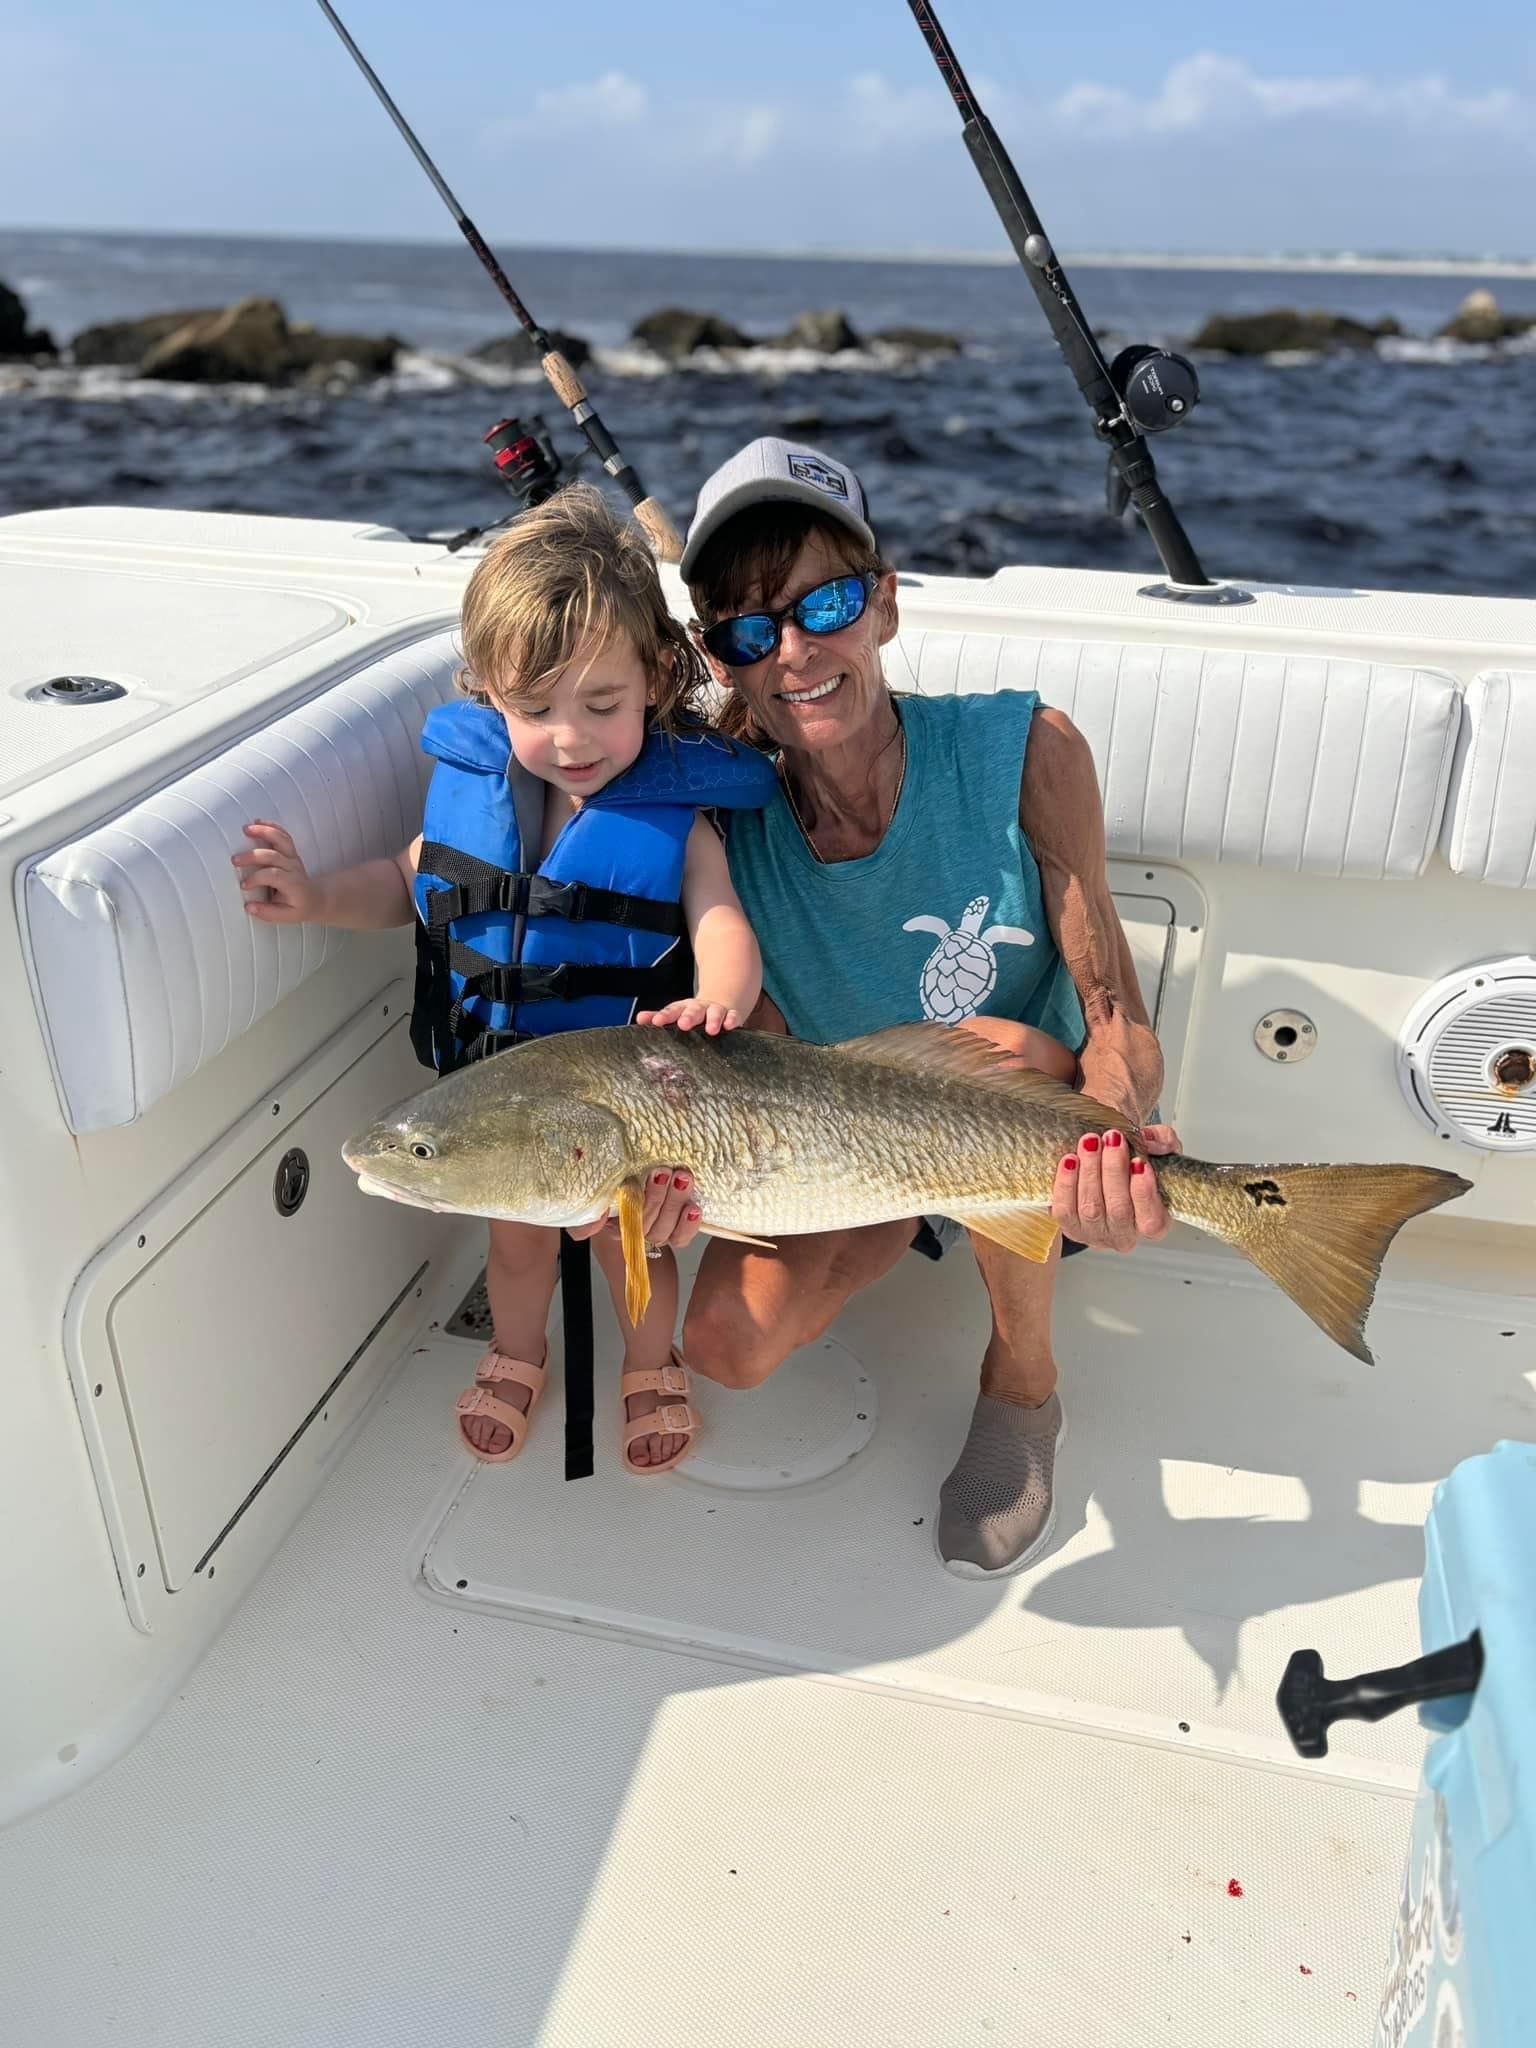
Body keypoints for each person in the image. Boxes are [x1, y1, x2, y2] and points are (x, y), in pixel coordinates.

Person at [613, 437, 1181, 1575]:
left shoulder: (1026, 751)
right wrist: (677, 1184)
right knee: (724, 1345)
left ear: (885, 602)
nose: (795, 650)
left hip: (1019, 1105)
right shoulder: (719, 813)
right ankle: (920, 1216)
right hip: (837, 1129)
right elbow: (753, 1044)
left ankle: (1023, 1382)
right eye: (748, 627)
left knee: (1009, 1049)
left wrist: (1123, 1136)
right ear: (718, 656)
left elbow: (1110, 1008)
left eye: (824, 600)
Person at [232, 483, 776, 1474]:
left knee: (634, 1245)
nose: (571, 737)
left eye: (602, 705)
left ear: (656, 679)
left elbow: (723, 922)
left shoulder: (679, 821)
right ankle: (515, 1349)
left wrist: (721, 998)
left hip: (627, 1104)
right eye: (536, 709)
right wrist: (311, 894)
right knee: (518, 1243)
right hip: (501, 1091)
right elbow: (406, 883)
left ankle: (650, 1364)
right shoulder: (479, 797)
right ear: (487, 688)